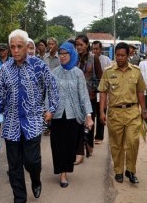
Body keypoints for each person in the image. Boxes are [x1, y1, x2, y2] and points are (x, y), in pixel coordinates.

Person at [0, 29, 59, 203]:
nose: (15, 50)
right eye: (12, 47)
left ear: (27, 46)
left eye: (19, 46)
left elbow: (52, 86)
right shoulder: (5, 69)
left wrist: (51, 108)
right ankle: (19, 198)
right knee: (14, 166)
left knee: (31, 161)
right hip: (12, 123)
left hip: (33, 121)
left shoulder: (38, 65)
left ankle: (35, 179)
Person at [98, 42, 146, 184]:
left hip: (132, 112)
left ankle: (131, 170)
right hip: (115, 113)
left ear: (128, 55)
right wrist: (102, 111)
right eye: (117, 55)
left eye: (122, 55)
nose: (119, 58)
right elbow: (103, 93)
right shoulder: (108, 71)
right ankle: (118, 171)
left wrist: (144, 110)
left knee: (133, 142)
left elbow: (140, 92)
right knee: (116, 144)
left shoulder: (136, 71)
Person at [50, 42, 94, 188]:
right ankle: (60, 169)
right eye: (60, 54)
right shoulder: (54, 72)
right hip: (57, 115)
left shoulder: (78, 73)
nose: (62, 57)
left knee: (68, 145)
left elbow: (83, 95)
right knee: (57, 145)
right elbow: (48, 94)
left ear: (71, 54)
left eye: (65, 54)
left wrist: (88, 115)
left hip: (73, 116)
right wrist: (47, 110)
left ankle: (64, 174)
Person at [75, 34, 103, 164]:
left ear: (87, 45)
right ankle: (79, 151)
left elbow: (101, 78)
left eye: (81, 44)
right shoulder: (74, 58)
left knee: (89, 122)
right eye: (77, 45)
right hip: (75, 96)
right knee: (77, 123)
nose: (79, 47)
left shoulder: (94, 58)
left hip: (90, 96)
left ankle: (89, 145)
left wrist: (98, 97)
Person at [91, 40, 111, 144]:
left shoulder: (106, 60)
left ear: (101, 49)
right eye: (93, 49)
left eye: (97, 49)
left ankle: (99, 136)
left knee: (101, 112)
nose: (94, 51)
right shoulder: (89, 59)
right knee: (91, 113)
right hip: (91, 91)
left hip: (102, 91)